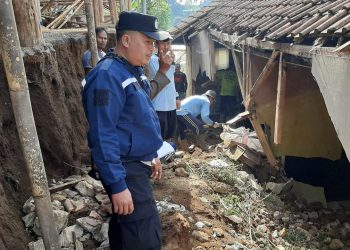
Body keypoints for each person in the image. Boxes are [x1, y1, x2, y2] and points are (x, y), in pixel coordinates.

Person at [82, 11, 170, 250]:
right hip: (125, 169)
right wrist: (118, 185)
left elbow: (136, 117)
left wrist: (151, 155)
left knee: (125, 229)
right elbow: (103, 134)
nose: (152, 49)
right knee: (144, 237)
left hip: (135, 164)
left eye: (153, 43)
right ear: (127, 40)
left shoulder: (131, 70)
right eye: (148, 42)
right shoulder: (107, 76)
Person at [148, 32, 179, 141]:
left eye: (168, 43)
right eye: (163, 44)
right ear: (156, 45)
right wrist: (169, 65)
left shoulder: (170, 61)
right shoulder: (152, 60)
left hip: (170, 105)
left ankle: (167, 156)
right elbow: (163, 78)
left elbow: (171, 82)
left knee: (170, 135)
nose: (166, 47)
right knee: (159, 136)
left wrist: (176, 97)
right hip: (158, 106)